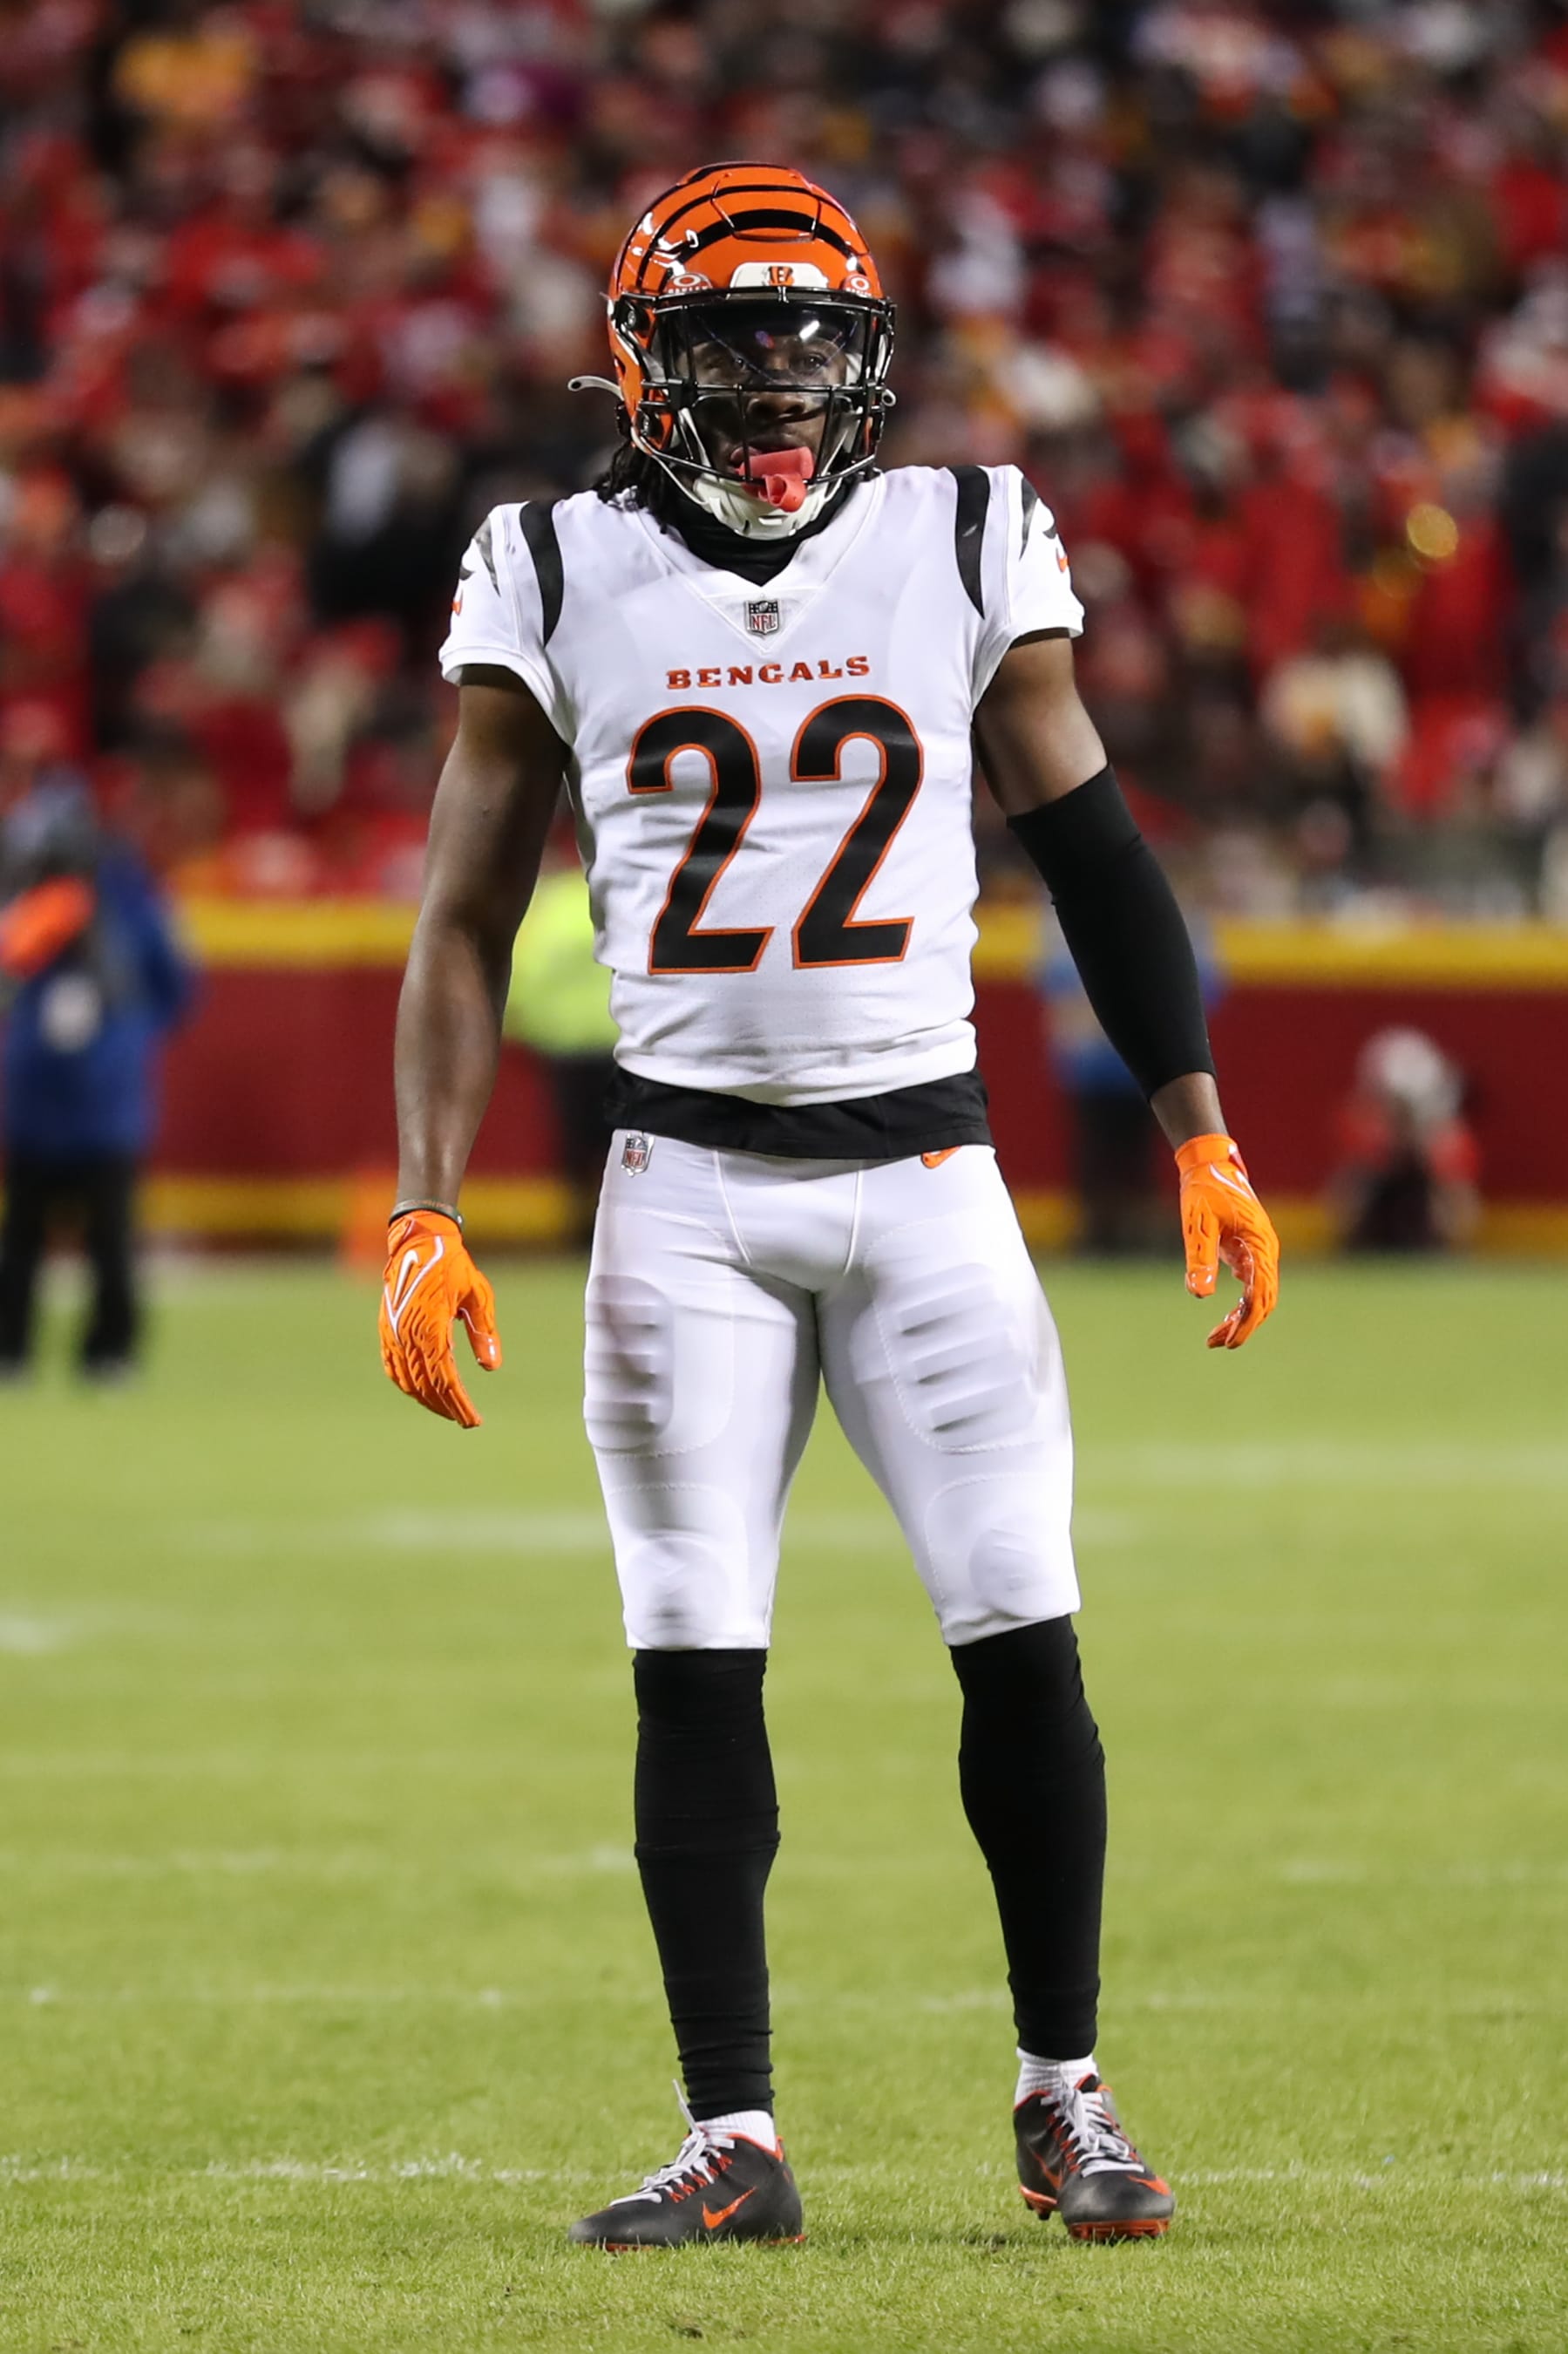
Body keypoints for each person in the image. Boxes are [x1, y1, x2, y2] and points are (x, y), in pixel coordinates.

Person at [379, 164, 1280, 2250]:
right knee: (693, 1659)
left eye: (809, 335)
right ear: (644, 362)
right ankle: (735, 2133)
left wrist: (1202, 1125)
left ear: (869, 355)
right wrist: (424, 1202)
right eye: (728, 338)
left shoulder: (965, 531)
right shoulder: (546, 565)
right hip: (681, 1185)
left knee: (1022, 1637)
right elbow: (457, 918)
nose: (777, 377)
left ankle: (1066, 2090)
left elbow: (1097, 847)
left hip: (933, 1172)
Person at [0, 781, 192, 1378]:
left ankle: (111, 1351)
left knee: (110, 1243)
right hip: (35, 1104)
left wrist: (126, 1040)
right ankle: (12, 1349)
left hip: (105, 1109)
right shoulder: (21, 909)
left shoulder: (130, 903)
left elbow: (173, 987)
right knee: (21, 1241)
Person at [1332, 1027, 1479, 1252]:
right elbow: (1344, 1199)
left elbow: (1462, 1206)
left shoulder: (1443, 1134)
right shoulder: (1366, 1125)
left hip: (1427, 1235)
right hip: (1373, 1231)